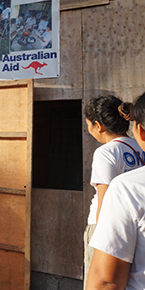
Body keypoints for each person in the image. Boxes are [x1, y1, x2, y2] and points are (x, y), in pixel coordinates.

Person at [83, 95, 144, 289]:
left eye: (88, 125)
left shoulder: (105, 153)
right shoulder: (140, 146)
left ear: (98, 126)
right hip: (135, 226)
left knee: (103, 277)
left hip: (108, 228)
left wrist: (102, 238)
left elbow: (104, 197)